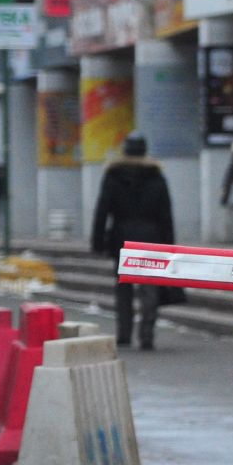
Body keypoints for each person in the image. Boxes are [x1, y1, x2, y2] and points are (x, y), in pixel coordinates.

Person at [91, 133, 175, 351]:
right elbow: (165, 214)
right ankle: (146, 335)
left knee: (123, 288)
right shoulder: (156, 176)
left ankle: (124, 333)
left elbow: (102, 210)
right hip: (150, 238)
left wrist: (97, 241)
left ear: (125, 150)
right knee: (149, 288)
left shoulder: (113, 175)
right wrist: (169, 245)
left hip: (122, 237)